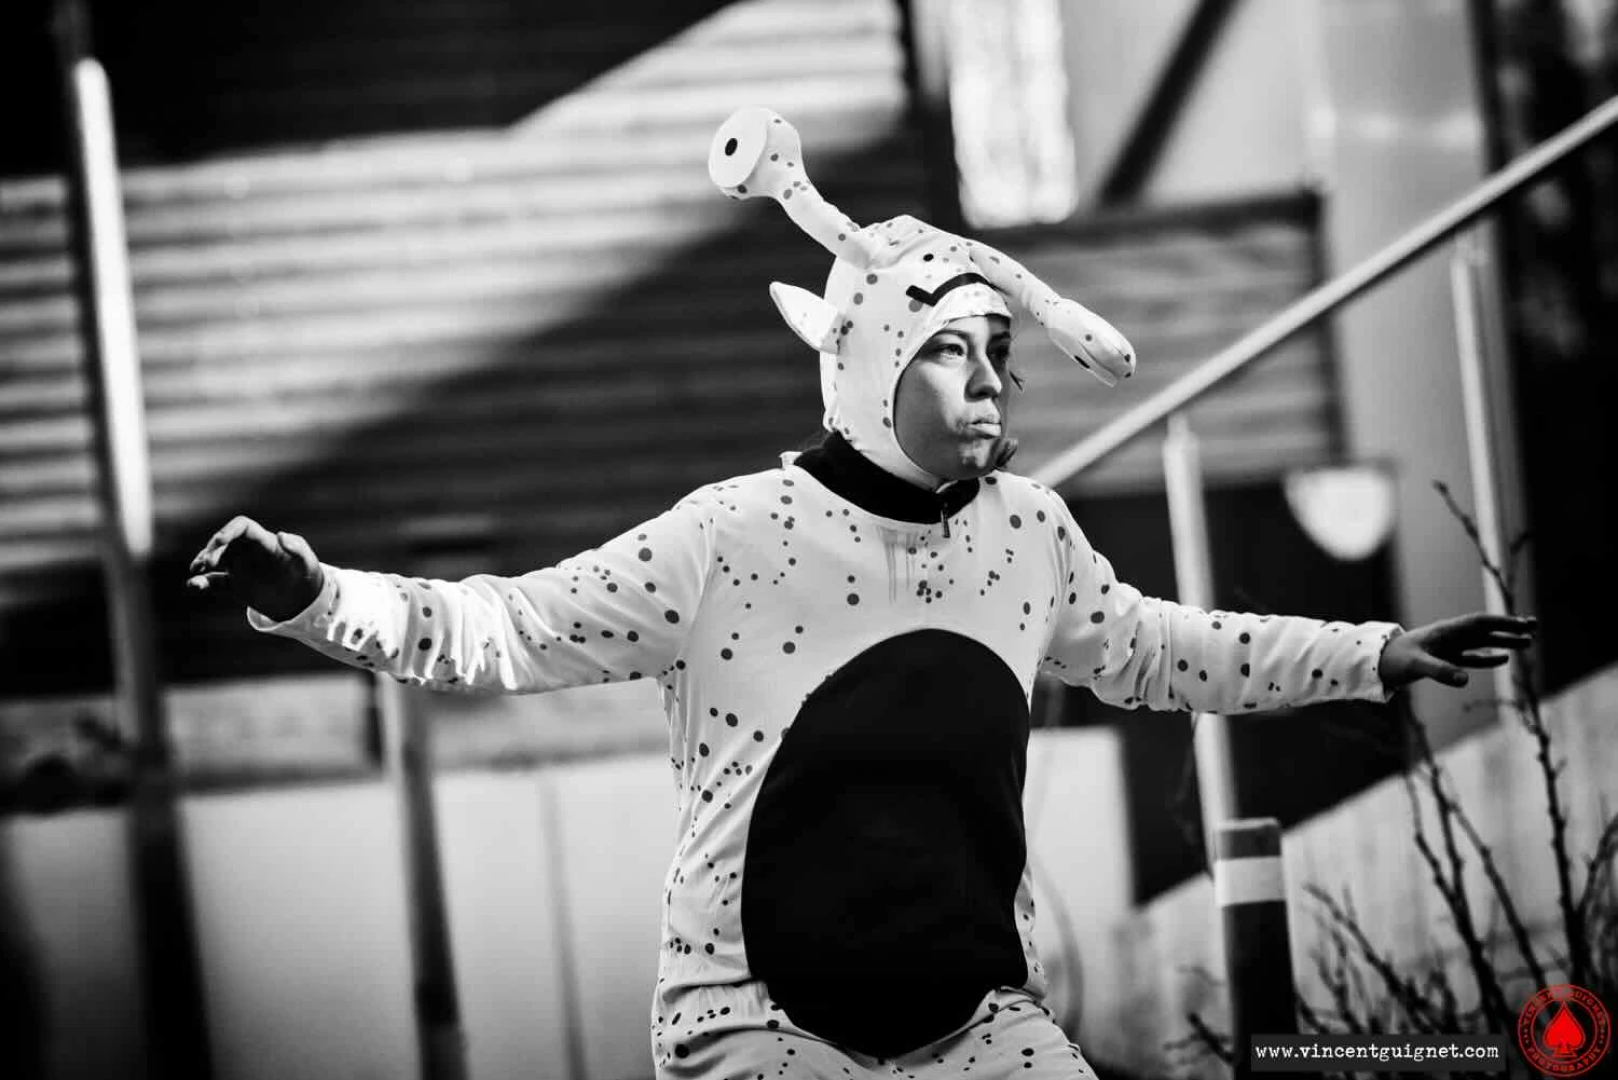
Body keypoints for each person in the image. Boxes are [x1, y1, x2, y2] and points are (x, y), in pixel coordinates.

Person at [187, 109, 1536, 1079]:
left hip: (981, 1026)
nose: (991, 379)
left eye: (1000, 348)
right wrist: (312, 595)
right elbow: (502, 633)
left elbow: (1166, 650)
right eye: (949, 350)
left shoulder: (1030, 536)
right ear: (868, 363)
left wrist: (1374, 652)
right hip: (752, 1028)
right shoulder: (728, 537)